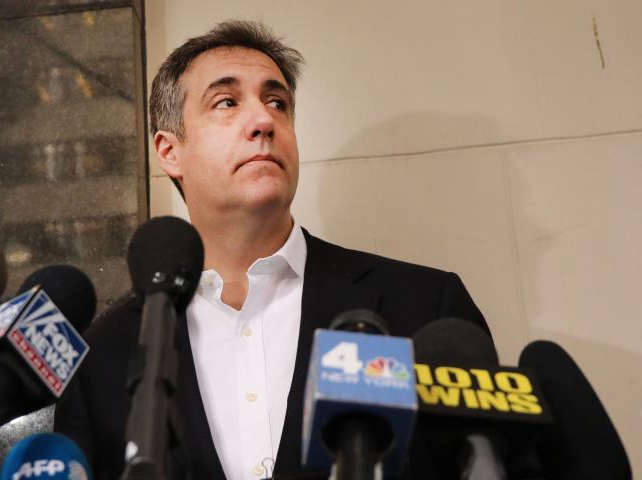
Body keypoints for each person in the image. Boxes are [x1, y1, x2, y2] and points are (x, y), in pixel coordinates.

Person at [55, 20, 490, 480]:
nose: (263, 121)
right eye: (226, 102)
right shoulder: (100, 355)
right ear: (169, 151)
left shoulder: (425, 307)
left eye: (277, 103)